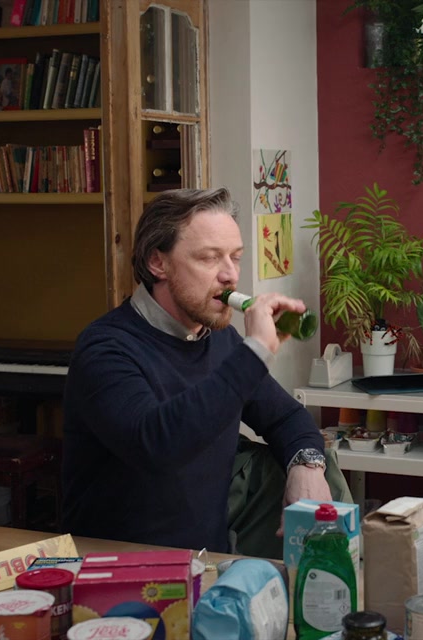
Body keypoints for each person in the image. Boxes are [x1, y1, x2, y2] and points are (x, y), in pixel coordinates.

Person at [61, 187, 330, 553]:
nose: (230, 275)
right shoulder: (105, 348)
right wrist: (255, 351)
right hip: (117, 565)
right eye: (209, 258)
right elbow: (157, 445)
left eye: (236, 257)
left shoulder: (220, 340)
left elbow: (286, 417)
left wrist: (307, 467)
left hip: (204, 560)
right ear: (158, 263)